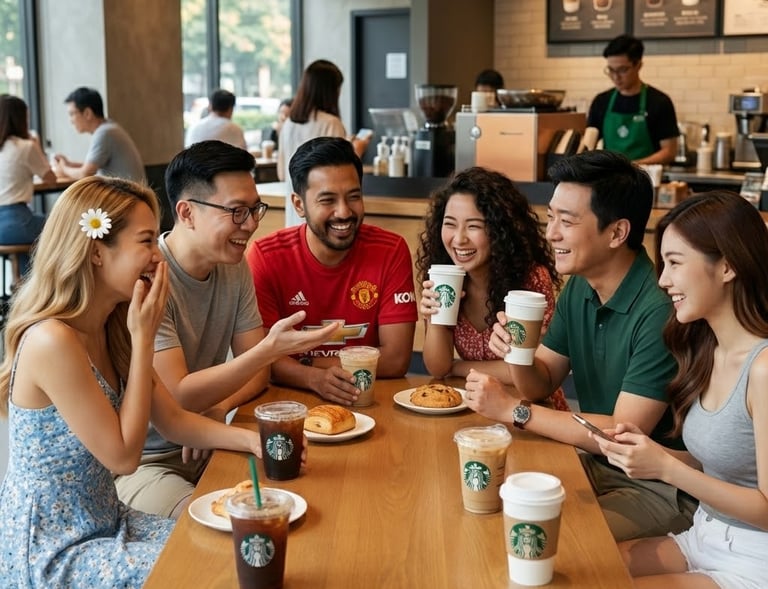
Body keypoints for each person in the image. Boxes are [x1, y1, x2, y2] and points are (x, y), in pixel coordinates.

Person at [0, 175, 270, 587]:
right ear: (95, 252)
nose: (158, 258)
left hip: (107, 519)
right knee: (207, 572)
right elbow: (124, 458)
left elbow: (174, 420)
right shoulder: (53, 340)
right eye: (146, 242)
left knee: (230, 548)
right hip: (54, 549)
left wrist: (253, 441)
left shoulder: (113, 326)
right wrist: (144, 338)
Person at [464, 150, 697, 541]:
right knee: (493, 505)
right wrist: (517, 352)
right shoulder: (580, 288)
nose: (551, 232)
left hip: (659, 487)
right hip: (594, 463)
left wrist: (514, 411)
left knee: (547, 536)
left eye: (567, 221)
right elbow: (540, 384)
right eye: (551, 216)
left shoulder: (658, 309)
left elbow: (621, 433)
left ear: (617, 232)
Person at [115, 140, 337, 518]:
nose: (251, 224)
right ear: (186, 213)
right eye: (237, 212)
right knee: (217, 527)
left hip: (209, 438)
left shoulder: (233, 266)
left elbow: (258, 374)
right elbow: (180, 398)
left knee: (293, 499)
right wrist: (264, 351)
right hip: (146, 462)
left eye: (254, 209)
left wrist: (219, 406)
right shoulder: (149, 281)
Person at [596, 191, 768, 588]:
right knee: (587, 563)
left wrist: (666, 468)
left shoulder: (762, 369)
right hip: (704, 534)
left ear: (727, 266)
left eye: (674, 262)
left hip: (756, 558)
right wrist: (653, 452)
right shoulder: (708, 348)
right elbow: (723, 466)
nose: (663, 280)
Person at [247, 137, 417, 405]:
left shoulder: (390, 250)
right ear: (299, 204)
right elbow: (261, 359)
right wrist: (312, 379)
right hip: (291, 401)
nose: (344, 212)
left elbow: (396, 360)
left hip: (367, 397)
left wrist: (305, 363)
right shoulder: (266, 257)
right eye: (327, 200)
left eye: (354, 197)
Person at [416, 166, 569, 411]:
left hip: (530, 410)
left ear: (500, 230)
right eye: (450, 224)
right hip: (474, 406)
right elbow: (437, 367)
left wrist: (457, 368)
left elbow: (526, 368)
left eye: (474, 226)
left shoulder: (530, 281)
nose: (459, 239)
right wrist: (435, 320)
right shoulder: (445, 275)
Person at [278, 59, 370, 227]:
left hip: (293, 218)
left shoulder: (289, 123)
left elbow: (282, 174)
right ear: (331, 91)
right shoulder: (331, 123)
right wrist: (358, 149)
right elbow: (340, 173)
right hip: (322, 222)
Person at [587, 34, 678, 165]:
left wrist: (633, 166)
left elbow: (669, 152)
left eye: (622, 70)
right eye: (611, 70)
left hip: (646, 178)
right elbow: (589, 144)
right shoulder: (601, 101)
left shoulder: (659, 102)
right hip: (610, 178)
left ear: (638, 65)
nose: (615, 77)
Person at [0, 94, 56, 275]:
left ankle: (24, 288)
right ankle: (51, 289)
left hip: (6, 226)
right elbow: (50, 178)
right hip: (15, 220)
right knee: (65, 224)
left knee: (28, 243)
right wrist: (36, 144)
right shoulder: (25, 147)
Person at [54, 86, 145, 182]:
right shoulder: (109, 127)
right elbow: (91, 166)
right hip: (128, 194)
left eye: (72, 114)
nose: (71, 121)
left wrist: (63, 169)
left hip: (126, 196)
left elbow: (85, 174)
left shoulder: (104, 133)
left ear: (87, 113)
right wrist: (69, 164)